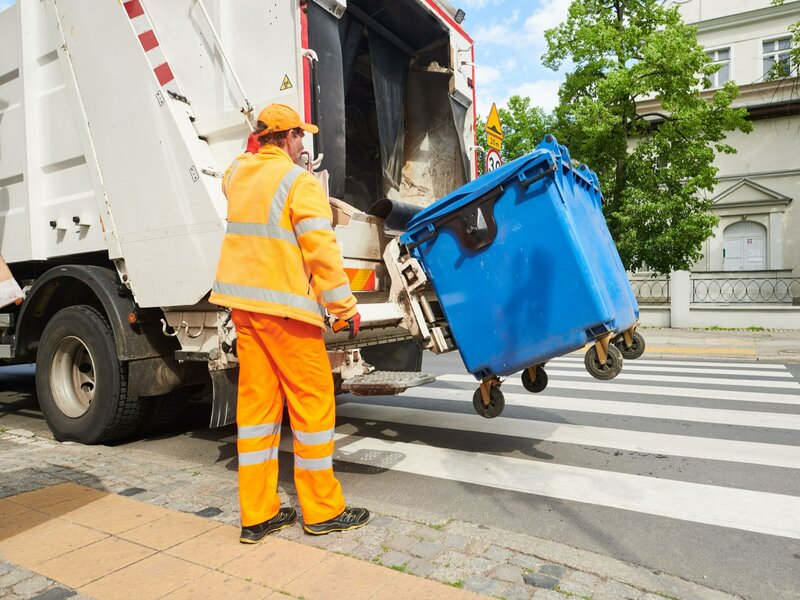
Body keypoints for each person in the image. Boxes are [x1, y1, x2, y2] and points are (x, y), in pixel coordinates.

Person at [209, 103, 369, 543]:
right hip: (286, 312)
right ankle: (321, 510)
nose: (305, 144)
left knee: (258, 411)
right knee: (312, 405)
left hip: (244, 310)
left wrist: (251, 148)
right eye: (301, 135)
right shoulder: (300, 183)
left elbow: (230, 172)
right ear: (287, 137)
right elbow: (321, 253)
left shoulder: (239, 174)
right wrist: (343, 307)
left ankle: (258, 515)